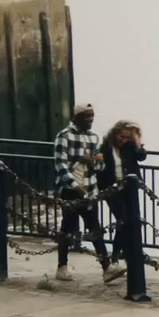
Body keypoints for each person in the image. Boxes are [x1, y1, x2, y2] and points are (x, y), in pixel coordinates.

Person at [52, 103, 113, 282]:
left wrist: (93, 161)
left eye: (92, 116)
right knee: (68, 228)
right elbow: (60, 164)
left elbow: (101, 166)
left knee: (95, 227)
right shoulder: (64, 136)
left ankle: (107, 267)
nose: (90, 120)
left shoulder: (94, 138)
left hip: (90, 189)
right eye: (87, 117)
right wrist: (74, 185)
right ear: (77, 117)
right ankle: (62, 266)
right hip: (71, 190)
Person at [95, 119, 145, 284]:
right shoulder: (105, 147)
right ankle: (116, 258)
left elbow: (141, 156)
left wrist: (136, 139)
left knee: (129, 221)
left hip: (128, 188)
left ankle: (126, 256)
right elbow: (100, 169)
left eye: (127, 138)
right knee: (122, 219)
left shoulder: (130, 147)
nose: (123, 140)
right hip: (111, 189)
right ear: (115, 133)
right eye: (121, 137)